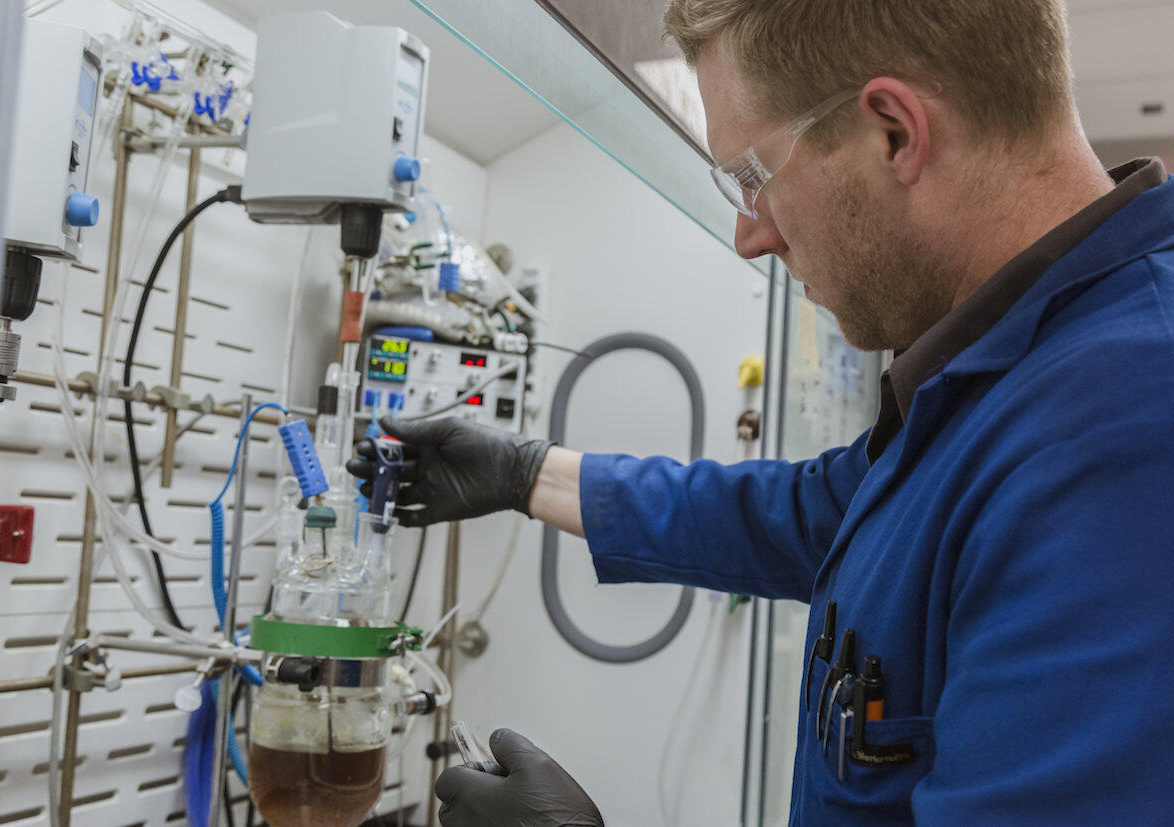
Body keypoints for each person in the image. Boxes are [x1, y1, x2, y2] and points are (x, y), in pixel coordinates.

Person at [351, 0, 1174, 823]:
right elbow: (803, 512)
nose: (751, 235)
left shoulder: (1126, 431)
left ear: (894, 130)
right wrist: (523, 472)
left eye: (752, 176)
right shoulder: (1005, 369)